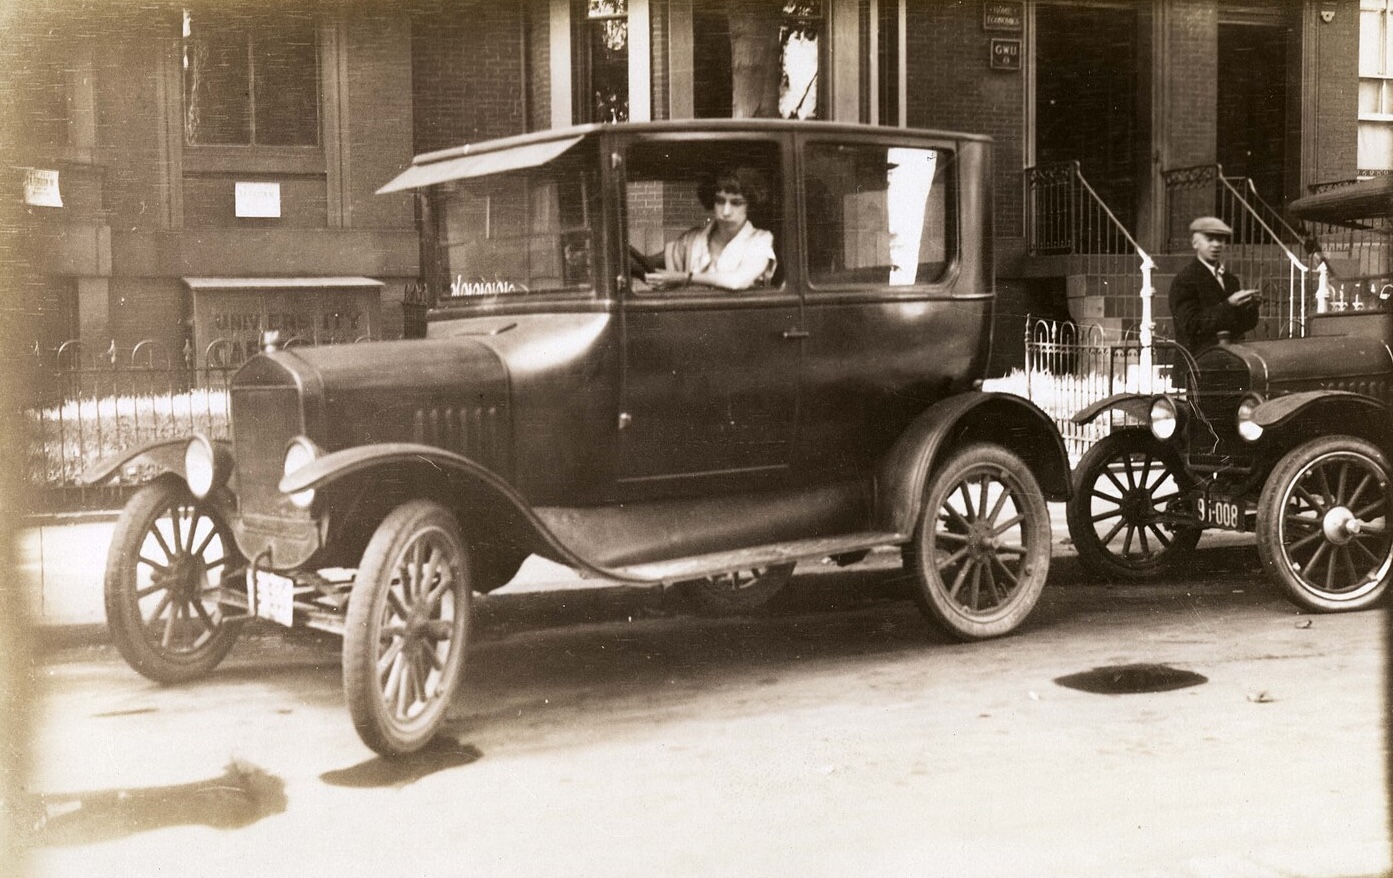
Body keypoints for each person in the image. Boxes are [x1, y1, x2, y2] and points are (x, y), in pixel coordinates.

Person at [645, 167, 776, 292]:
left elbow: (737, 281)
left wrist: (683, 277)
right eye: (720, 201)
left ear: (750, 205)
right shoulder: (692, 239)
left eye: (736, 203)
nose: (726, 211)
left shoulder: (761, 239)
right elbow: (650, 263)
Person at [1168, 216, 1261, 354]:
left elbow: (1240, 326)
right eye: (1210, 239)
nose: (1216, 244)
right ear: (1195, 243)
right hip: (1197, 363)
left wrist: (1250, 307)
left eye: (1221, 240)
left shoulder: (1230, 280)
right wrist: (1228, 304)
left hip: (1228, 359)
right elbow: (1190, 325)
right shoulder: (1185, 280)